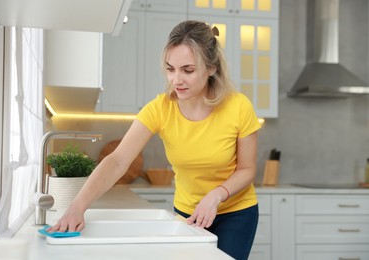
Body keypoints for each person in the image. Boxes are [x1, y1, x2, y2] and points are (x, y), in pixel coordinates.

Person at [48, 20, 261, 260]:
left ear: (211, 68)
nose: (176, 79)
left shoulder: (238, 106)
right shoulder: (160, 109)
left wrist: (216, 195)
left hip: (236, 212)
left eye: (187, 70)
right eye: (170, 69)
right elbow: (118, 160)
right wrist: (77, 207)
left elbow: (246, 169)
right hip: (189, 212)